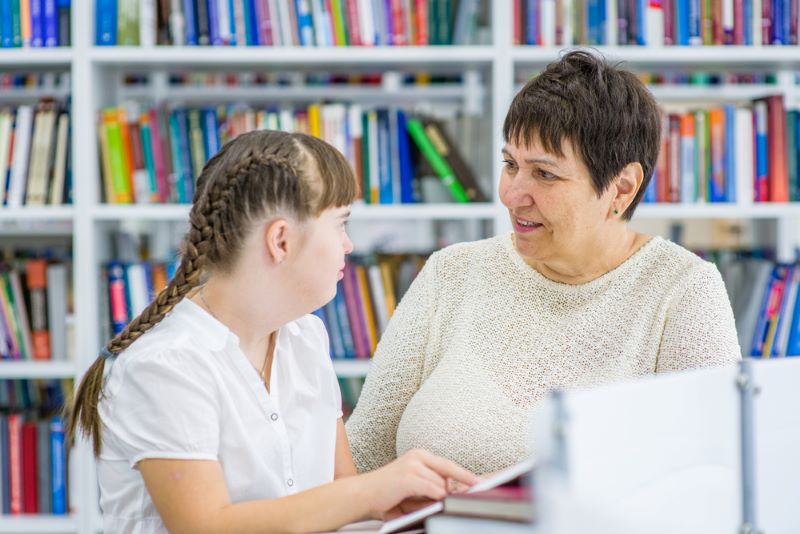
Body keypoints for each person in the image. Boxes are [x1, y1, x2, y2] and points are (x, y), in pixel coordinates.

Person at [346, 50, 741, 477]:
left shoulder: (682, 291)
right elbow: (360, 459)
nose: (512, 194)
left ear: (622, 188)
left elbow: (710, 479)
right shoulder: (451, 274)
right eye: (510, 164)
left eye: (545, 174)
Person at [67, 130, 477, 534]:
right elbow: (205, 527)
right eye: (340, 223)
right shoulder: (163, 366)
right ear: (280, 240)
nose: (348, 245)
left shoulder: (306, 339)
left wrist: (396, 508)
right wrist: (369, 493)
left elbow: (338, 501)